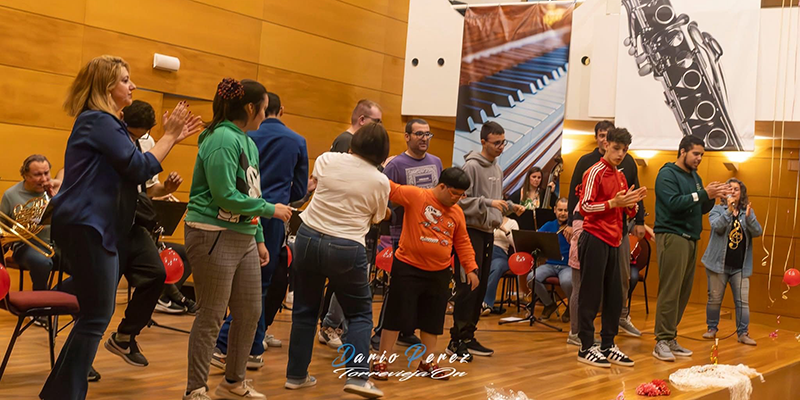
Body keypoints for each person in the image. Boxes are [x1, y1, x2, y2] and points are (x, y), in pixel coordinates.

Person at [40, 55, 195, 400]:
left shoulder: (108, 123)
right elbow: (138, 168)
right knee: (97, 315)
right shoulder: (98, 121)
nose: (133, 86)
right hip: (88, 226)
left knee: (94, 311)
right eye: (126, 80)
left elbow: (133, 176)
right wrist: (169, 137)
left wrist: (169, 140)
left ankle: (61, 391)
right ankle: (65, 394)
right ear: (107, 86)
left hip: (96, 227)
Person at [182, 78, 292, 400]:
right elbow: (225, 196)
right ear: (250, 108)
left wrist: (257, 236)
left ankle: (233, 382)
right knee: (211, 314)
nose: (266, 113)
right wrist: (271, 210)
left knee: (249, 312)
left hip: (242, 237)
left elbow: (249, 192)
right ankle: (195, 389)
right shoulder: (220, 139)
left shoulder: (248, 142)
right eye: (264, 107)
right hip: (211, 235)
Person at [285, 122, 390, 399]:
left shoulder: (327, 159)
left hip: (306, 238)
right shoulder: (380, 180)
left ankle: (295, 376)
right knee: (359, 314)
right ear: (382, 153)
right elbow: (378, 217)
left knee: (305, 310)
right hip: (346, 246)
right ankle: (357, 377)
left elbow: (318, 185)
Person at [211, 91, 309, 370]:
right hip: (271, 214)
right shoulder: (296, 140)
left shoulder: (245, 136)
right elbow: (300, 191)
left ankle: (254, 344)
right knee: (258, 285)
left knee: (244, 283)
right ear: (280, 109)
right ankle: (224, 342)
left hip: (235, 212)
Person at [102, 99, 199, 368]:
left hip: (133, 226)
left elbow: (144, 190)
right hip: (108, 226)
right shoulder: (113, 139)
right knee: (101, 297)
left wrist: (164, 186)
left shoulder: (145, 144)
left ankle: (124, 336)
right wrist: (170, 138)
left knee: (156, 274)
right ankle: (82, 357)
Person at [373, 167, 480, 380]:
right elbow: (388, 187)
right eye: (455, 193)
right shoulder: (416, 196)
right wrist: (369, 166)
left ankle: (427, 363)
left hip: (439, 273)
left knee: (433, 321)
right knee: (395, 317)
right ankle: (382, 360)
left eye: (461, 195)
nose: (458, 199)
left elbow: (462, 241)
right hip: (407, 268)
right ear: (442, 186)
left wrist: (471, 267)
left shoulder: (457, 212)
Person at [447, 121, 524, 361]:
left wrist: (509, 207)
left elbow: (495, 202)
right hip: (469, 232)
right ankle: (455, 340)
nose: (501, 147)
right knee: (467, 286)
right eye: (496, 142)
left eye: (504, 142)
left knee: (479, 288)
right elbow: (459, 201)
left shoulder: (497, 169)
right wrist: (489, 203)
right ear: (483, 142)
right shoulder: (471, 167)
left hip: (488, 232)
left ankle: (469, 336)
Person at [652, 135, 730, 362]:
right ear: (682, 151)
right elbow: (674, 203)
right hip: (672, 235)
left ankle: (670, 336)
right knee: (670, 290)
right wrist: (703, 193)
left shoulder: (695, 176)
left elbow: (701, 206)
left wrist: (713, 195)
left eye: (702, 155)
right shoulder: (667, 174)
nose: (699, 159)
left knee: (683, 291)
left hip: (691, 237)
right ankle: (661, 340)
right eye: (696, 154)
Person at [567, 120, 646, 337]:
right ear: (606, 144)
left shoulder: (621, 174)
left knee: (615, 291)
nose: (621, 154)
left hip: (616, 237)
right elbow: (584, 206)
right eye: (616, 148)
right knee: (590, 291)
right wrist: (614, 203)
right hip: (594, 236)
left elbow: (625, 209)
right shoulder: (594, 171)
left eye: (625, 150)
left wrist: (632, 205)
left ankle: (608, 342)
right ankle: (584, 340)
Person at [371, 118, 443, 349]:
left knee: (422, 288)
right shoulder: (395, 165)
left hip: (430, 233)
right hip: (402, 233)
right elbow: (384, 200)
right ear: (407, 136)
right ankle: (381, 333)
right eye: (419, 134)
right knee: (400, 287)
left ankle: (407, 330)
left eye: (428, 134)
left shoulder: (436, 162)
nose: (424, 138)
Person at [701, 178, 762, 346]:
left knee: (742, 302)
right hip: (717, 265)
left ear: (741, 193)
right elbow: (717, 227)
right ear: (724, 193)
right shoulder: (717, 209)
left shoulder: (747, 211)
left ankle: (743, 333)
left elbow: (758, 231)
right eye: (730, 189)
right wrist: (728, 211)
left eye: (736, 189)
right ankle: (712, 329)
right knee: (714, 298)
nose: (733, 191)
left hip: (740, 267)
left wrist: (749, 219)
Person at [1, 155, 59, 294]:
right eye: (37, 175)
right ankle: (40, 308)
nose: (44, 179)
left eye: (46, 173)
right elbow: (1, 225)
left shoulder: (56, 190)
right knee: (42, 263)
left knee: (85, 261)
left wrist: (57, 198)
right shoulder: (11, 195)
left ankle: (54, 298)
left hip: (56, 244)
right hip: (25, 246)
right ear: (25, 175)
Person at [529, 198, 572, 320]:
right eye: (560, 210)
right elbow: (536, 239)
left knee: (566, 282)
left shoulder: (572, 227)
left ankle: (571, 306)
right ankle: (549, 304)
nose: (563, 213)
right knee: (531, 278)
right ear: (554, 210)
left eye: (566, 210)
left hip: (567, 266)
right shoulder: (549, 225)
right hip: (550, 264)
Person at [481, 216, 518, 315]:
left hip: (501, 255)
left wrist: (505, 230)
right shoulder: (486, 219)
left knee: (496, 268)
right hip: (485, 251)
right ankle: (473, 303)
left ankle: (486, 304)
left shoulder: (512, 223)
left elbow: (517, 245)